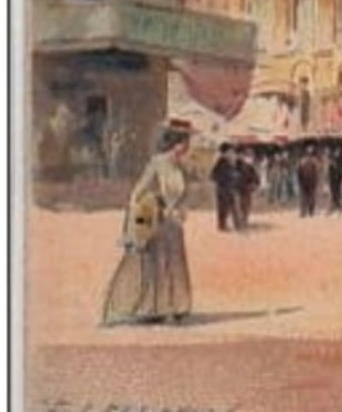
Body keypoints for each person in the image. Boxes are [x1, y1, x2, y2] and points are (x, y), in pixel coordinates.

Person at [102, 119, 195, 325]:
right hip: (156, 223)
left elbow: (182, 195)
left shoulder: (180, 166)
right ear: (175, 143)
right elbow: (137, 195)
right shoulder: (157, 164)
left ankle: (172, 307)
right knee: (153, 264)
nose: (187, 147)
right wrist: (142, 223)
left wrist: (180, 210)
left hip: (173, 226)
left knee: (172, 265)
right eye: (184, 142)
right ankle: (147, 308)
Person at [209, 148, 239, 233]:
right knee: (226, 207)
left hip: (226, 188)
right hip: (223, 188)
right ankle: (224, 225)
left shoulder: (230, 163)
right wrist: (224, 179)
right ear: (226, 153)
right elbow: (213, 176)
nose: (232, 155)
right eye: (230, 153)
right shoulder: (222, 163)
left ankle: (227, 224)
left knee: (227, 207)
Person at [234, 151, 260, 230]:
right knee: (239, 205)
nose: (250, 159)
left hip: (247, 189)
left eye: (251, 157)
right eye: (249, 157)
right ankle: (239, 221)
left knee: (246, 206)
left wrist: (254, 184)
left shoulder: (251, 167)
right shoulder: (238, 165)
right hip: (239, 189)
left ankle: (244, 220)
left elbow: (256, 178)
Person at [296, 149, 321, 218]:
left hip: (307, 182)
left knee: (306, 196)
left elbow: (298, 173)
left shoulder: (303, 162)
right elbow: (317, 173)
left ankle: (305, 211)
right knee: (309, 196)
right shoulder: (313, 162)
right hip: (309, 182)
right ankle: (309, 211)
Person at [327, 150, 342, 214]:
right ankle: (335, 207)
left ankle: (336, 207)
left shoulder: (337, 162)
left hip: (336, 180)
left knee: (336, 193)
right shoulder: (335, 163)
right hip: (335, 180)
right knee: (336, 193)